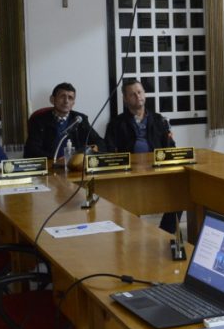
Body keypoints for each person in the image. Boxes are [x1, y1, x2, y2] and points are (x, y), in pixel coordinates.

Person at [104, 78, 180, 234]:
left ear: (144, 93)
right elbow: (108, 151)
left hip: (157, 172)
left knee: (180, 195)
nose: (137, 96)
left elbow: (171, 149)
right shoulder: (116, 123)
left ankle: (164, 233)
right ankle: (133, 235)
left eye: (139, 92)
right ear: (125, 99)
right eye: (132, 94)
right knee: (129, 206)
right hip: (129, 176)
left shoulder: (159, 120)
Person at [23, 81, 103, 160]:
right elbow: (31, 150)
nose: (66, 101)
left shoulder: (80, 119)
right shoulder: (39, 120)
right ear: (52, 99)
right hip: (50, 164)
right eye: (62, 96)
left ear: (73, 103)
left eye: (70, 98)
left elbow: (100, 142)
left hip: (75, 165)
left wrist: (90, 151)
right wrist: (56, 159)